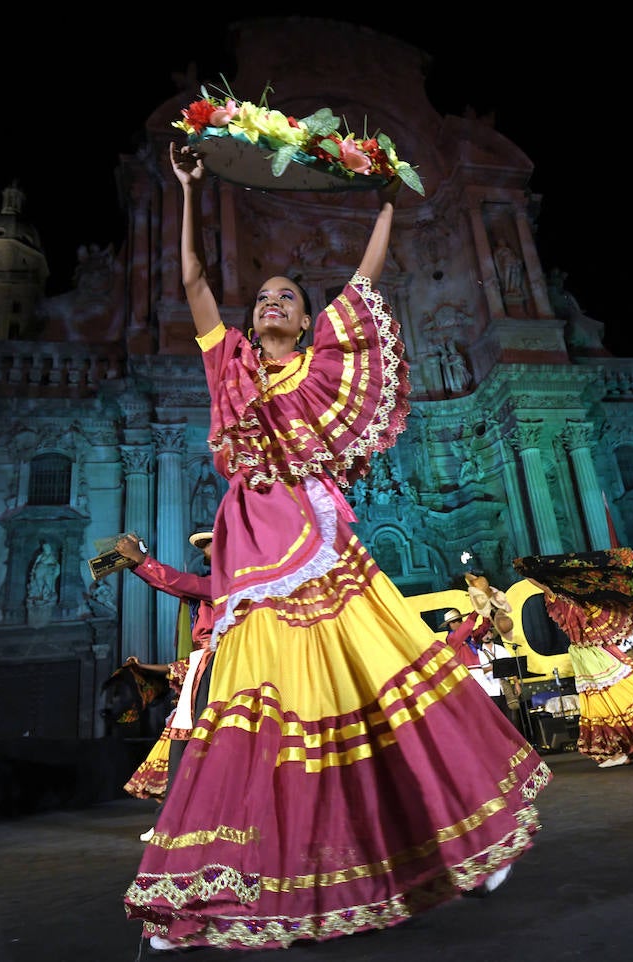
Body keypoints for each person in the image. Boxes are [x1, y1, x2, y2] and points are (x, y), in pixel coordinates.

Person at [123, 143, 550, 954]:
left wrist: (387, 200)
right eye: (266, 300)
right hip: (254, 560)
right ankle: (203, 900)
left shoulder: (321, 371)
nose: (274, 304)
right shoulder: (232, 369)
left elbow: (366, 280)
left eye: (288, 296)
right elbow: (192, 284)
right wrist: (188, 189)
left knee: (393, 694)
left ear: (303, 315)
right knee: (247, 727)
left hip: (324, 554)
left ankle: (466, 843)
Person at [521, 573, 633, 768]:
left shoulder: (569, 599)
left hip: (595, 653)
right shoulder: (573, 599)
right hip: (589, 654)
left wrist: (526, 572)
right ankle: (629, 748)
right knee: (611, 700)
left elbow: (545, 587)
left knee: (618, 697)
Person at [114, 529, 217, 842]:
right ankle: (172, 819)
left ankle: (194, 819)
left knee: (199, 741)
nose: (204, 550)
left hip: (218, 664)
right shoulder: (214, 581)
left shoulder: (231, 581)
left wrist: (143, 561)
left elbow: (183, 584)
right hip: (201, 665)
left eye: (209, 544)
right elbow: (181, 586)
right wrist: (139, 562)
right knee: (181, 741)